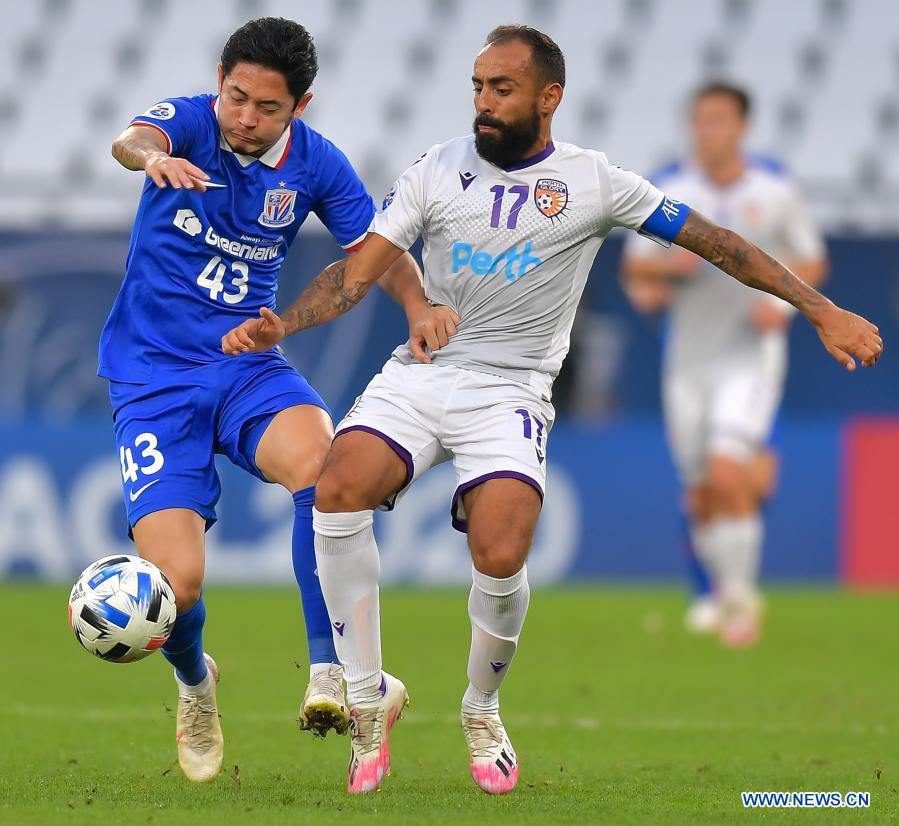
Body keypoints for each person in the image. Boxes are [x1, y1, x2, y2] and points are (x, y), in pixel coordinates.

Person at [221, 26, 881, 795]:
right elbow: (357, 272)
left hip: (511, 389)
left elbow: (716, 243)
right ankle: (368, 702)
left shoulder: (592, 181)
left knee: (501, 550)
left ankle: (481, 708)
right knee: (338, 486)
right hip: (424, 373)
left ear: (548, 97)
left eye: (501, 89)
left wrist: (819, 309)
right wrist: (284, 324)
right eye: (477, 86)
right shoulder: (436, 167)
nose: (483, 102)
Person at [98, 17, 446, 783]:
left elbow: (375, 251)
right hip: (152, 378)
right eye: (236, 97)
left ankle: (330, 672)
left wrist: (419, 306)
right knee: (177, 585)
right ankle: (196, 681)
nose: (246, 117)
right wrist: (152, 158)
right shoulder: (190, 124)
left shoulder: (316, 164)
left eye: (267, 107)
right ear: (219, 82)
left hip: (246, 363)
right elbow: (131, 139)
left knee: (326, 471)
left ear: (300, 106)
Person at [620, 83, 828, 645]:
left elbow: (811, 258)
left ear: (741, 126)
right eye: (701, 119)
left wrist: (780, 306)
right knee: (701, 493)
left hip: (750, 356)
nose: (709, 130)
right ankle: (717, 591)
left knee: (729, 469)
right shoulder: (671, 192)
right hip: (688, 360)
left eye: (719, 119)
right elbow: (636, 271)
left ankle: (739, 599)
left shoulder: (774, 190)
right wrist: (663, 278)